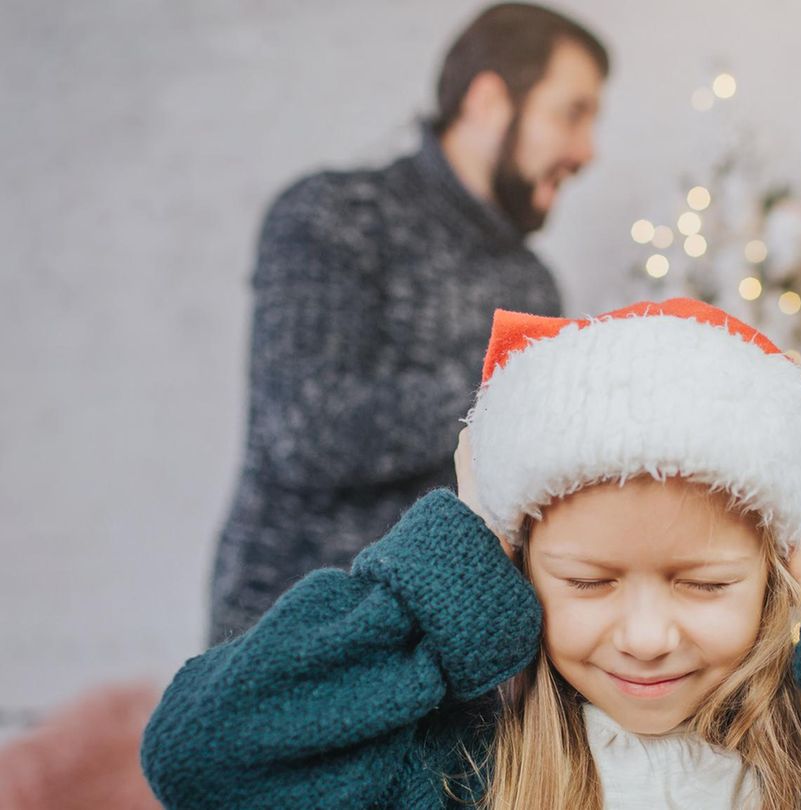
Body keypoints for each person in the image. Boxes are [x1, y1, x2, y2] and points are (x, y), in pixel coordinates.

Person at [143, 299, 801, 808]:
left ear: (776, 571)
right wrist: (454, 557)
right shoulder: (460, 776)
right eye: (588, 583)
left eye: (704, 582)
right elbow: (201, 752)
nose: (646, 635)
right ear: (511, 573)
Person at [209, 3, 608, 643]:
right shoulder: (334, 214)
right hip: (294, 642)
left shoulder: (533, 281)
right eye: (572, 113)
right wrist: (518, 383)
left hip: (451, 651)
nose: (586, 150)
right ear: (487, 101)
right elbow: (304, 430)